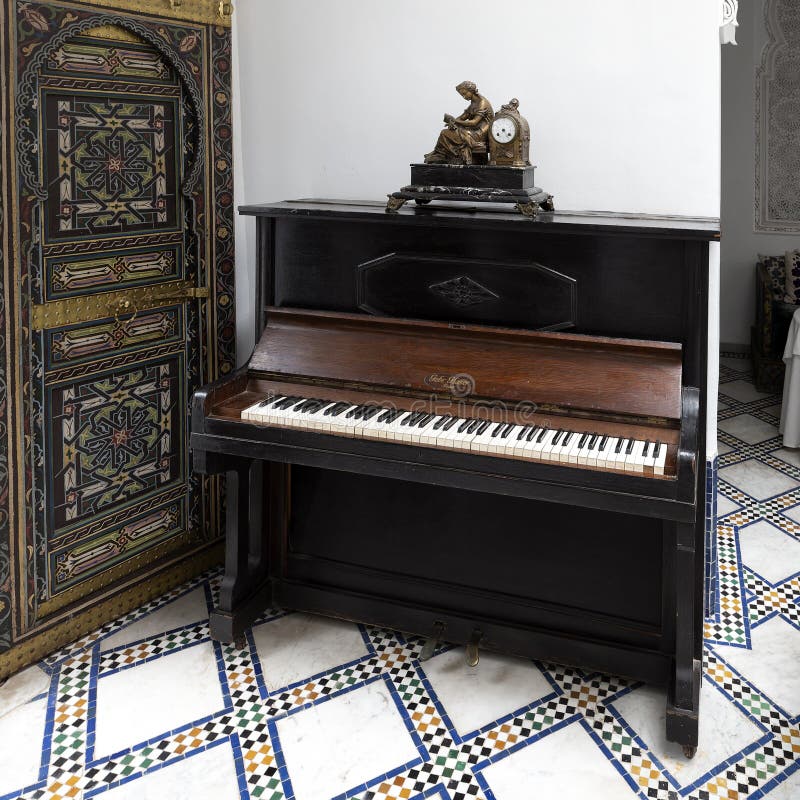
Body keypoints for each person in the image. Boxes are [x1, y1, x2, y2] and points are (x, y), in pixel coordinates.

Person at [424, 81, 493, 165]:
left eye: (464, 93)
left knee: (445, 133)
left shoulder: (482, 102)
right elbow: (463, 117)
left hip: (481, 132)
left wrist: (455, 121)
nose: (464, 97)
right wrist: (452, 122)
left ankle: (444, 154)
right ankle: (439, 154)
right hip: (473, 129)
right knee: (446, 132)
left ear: (471, 90)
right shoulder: (473, 103)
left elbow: (474, 122)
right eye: (462, 95)